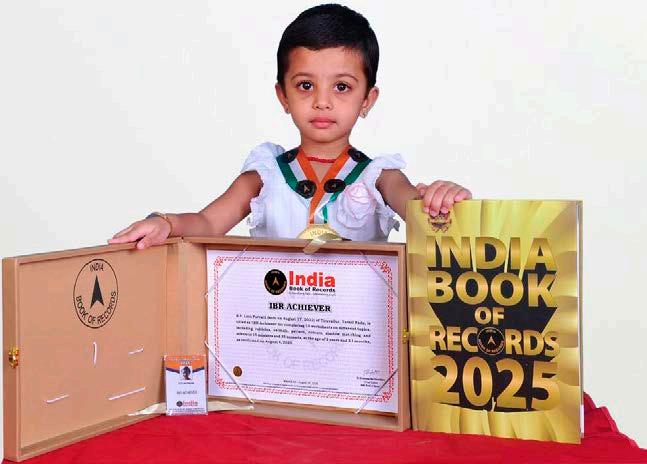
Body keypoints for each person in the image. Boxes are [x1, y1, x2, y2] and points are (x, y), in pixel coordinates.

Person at [109, 4, 471, 249]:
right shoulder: (265, 174)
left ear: (367, 100)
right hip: (275, 328)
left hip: (359, 335)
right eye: (305, 85)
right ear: (283, 95)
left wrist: (441, 199)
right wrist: (165, 222)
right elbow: (207, 223)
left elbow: (419, 211)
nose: (322, 101)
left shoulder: (380, 177)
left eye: (341, 87)